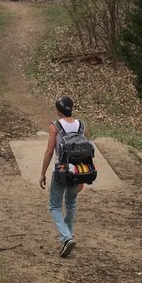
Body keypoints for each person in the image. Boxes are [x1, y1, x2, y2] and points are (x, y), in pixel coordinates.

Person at [39, 95, 87, 257]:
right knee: (71, 203)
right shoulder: (82, 125)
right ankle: (68, 237)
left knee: (54, 206)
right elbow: (85, 151)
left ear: (59, 109)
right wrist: (83, 176)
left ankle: (66, 237)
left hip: (61, 169)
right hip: (78, 169)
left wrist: (42, 173)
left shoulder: (55, 126)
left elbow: (49, 151)